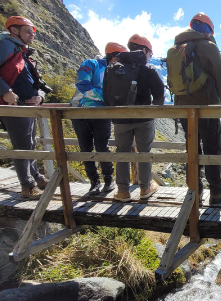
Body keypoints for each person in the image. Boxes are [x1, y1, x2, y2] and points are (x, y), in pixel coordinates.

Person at [0, 16, 49, 199]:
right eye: (28, 30)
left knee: (29, 143)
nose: (32, 34)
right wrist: (5, 91)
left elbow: (35, 82)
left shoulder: (20, 51)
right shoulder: (5, 46)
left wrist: (39, 97)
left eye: (33, 31)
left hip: (26, 105)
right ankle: (28, 186)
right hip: (13, 105)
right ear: (14, 30)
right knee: (22, 145)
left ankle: (35, 177)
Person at [170, 12, 221, 204]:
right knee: (212, 149)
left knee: (192, 150)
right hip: (206, 107)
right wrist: (220, 105)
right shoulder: (208, 46)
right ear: (207, 30)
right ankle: (216, 192)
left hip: (183, 108)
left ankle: (194, 193)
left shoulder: (177, 47)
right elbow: (220, 77)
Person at [111, 34, 165, 202]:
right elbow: (159, 94)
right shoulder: (148, 69)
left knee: (122, 152)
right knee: (144, 152)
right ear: (143, 50)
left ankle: (122, 191)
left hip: (120, 118)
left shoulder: (113, 67)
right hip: (144, 118)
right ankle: (145, 188)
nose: (150, 57)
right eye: (150, 53)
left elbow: (107, 93)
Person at [70, 42, 127, 195]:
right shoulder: (91, 64)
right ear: (114, 56)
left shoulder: (119, 72)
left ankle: (108, 179)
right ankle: (94, 181)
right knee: (85, 148)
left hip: (102, 114)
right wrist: (105, 97)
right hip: (80, 111)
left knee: (102, 146)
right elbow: (82, 83)